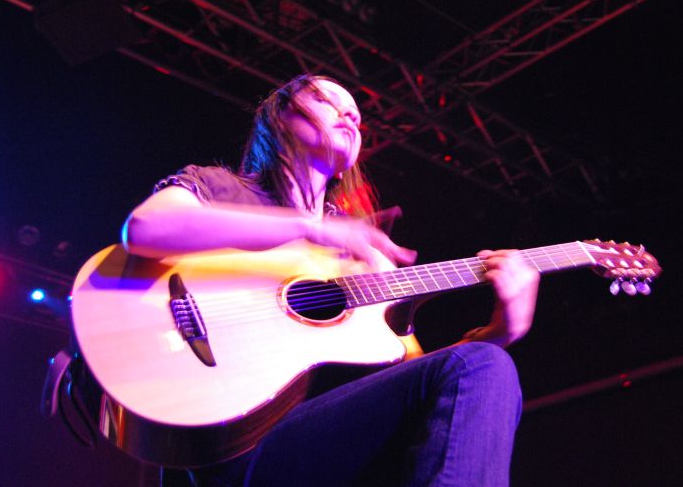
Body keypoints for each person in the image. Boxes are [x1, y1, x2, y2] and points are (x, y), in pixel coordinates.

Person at [123, 74, 541, 486]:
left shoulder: (366, 255)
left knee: (486, 364)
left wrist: (500, 331)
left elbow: (419, 377)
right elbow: (145, 228)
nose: (348, 118)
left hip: (326, 445)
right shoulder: (224, 190)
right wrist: (308, 228)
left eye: (356, 117)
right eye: (328, 103)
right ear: (281, 117)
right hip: (233, 443)